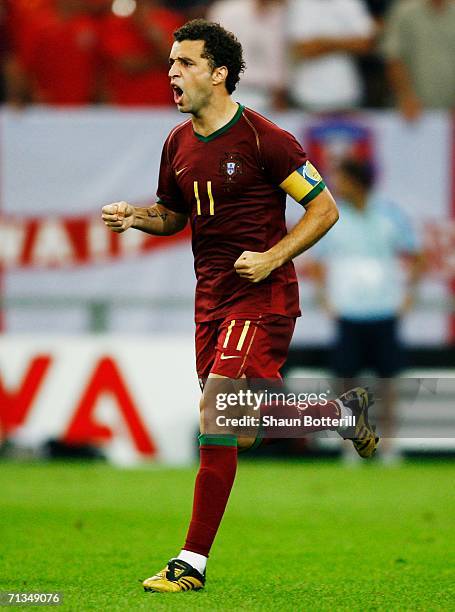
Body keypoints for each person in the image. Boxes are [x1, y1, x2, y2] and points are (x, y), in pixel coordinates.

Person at [101, 19, 378, 593]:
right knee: (240, 432)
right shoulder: (176, 143)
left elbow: (324, 209)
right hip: (212, 299)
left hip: (262, 295)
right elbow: (173, 215)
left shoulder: (264, 138)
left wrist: (274, 257)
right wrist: (136, 216)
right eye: (171, 63)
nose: (172, 72)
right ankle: (339, 414)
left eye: (185, 63)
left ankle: (189, 564)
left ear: (219, 73)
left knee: (217, 412)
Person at [311, 158, 423, 462]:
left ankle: (389, 444)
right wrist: (324, 298)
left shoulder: (390, 214)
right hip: (348, 311)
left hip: (384, 310)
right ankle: (352, 443)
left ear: (357, 181)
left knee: (388, 383)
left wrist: (410, 294)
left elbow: (416, 253)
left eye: (342, 179)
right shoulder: (332, 216)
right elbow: (316, 260)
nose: (337, 186)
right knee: (347, 382)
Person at [287, 0, 375, 112]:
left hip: (347, 93)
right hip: (307, 95)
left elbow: (366, 44)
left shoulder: (351, 3)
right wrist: (347, 41)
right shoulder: (299, 4)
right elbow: (304, 50)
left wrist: (321, 42)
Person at [207, 0, 288, 112]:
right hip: (230, 92)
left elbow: (279, 57)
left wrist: (279, 91)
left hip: (268, 96)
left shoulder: (283, 14)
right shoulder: (228, 11)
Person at [383, 0, 455, 121]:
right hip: (413, 110)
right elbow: (393, 57)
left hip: (450, 109)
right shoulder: (404, 11)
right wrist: (406, 97)